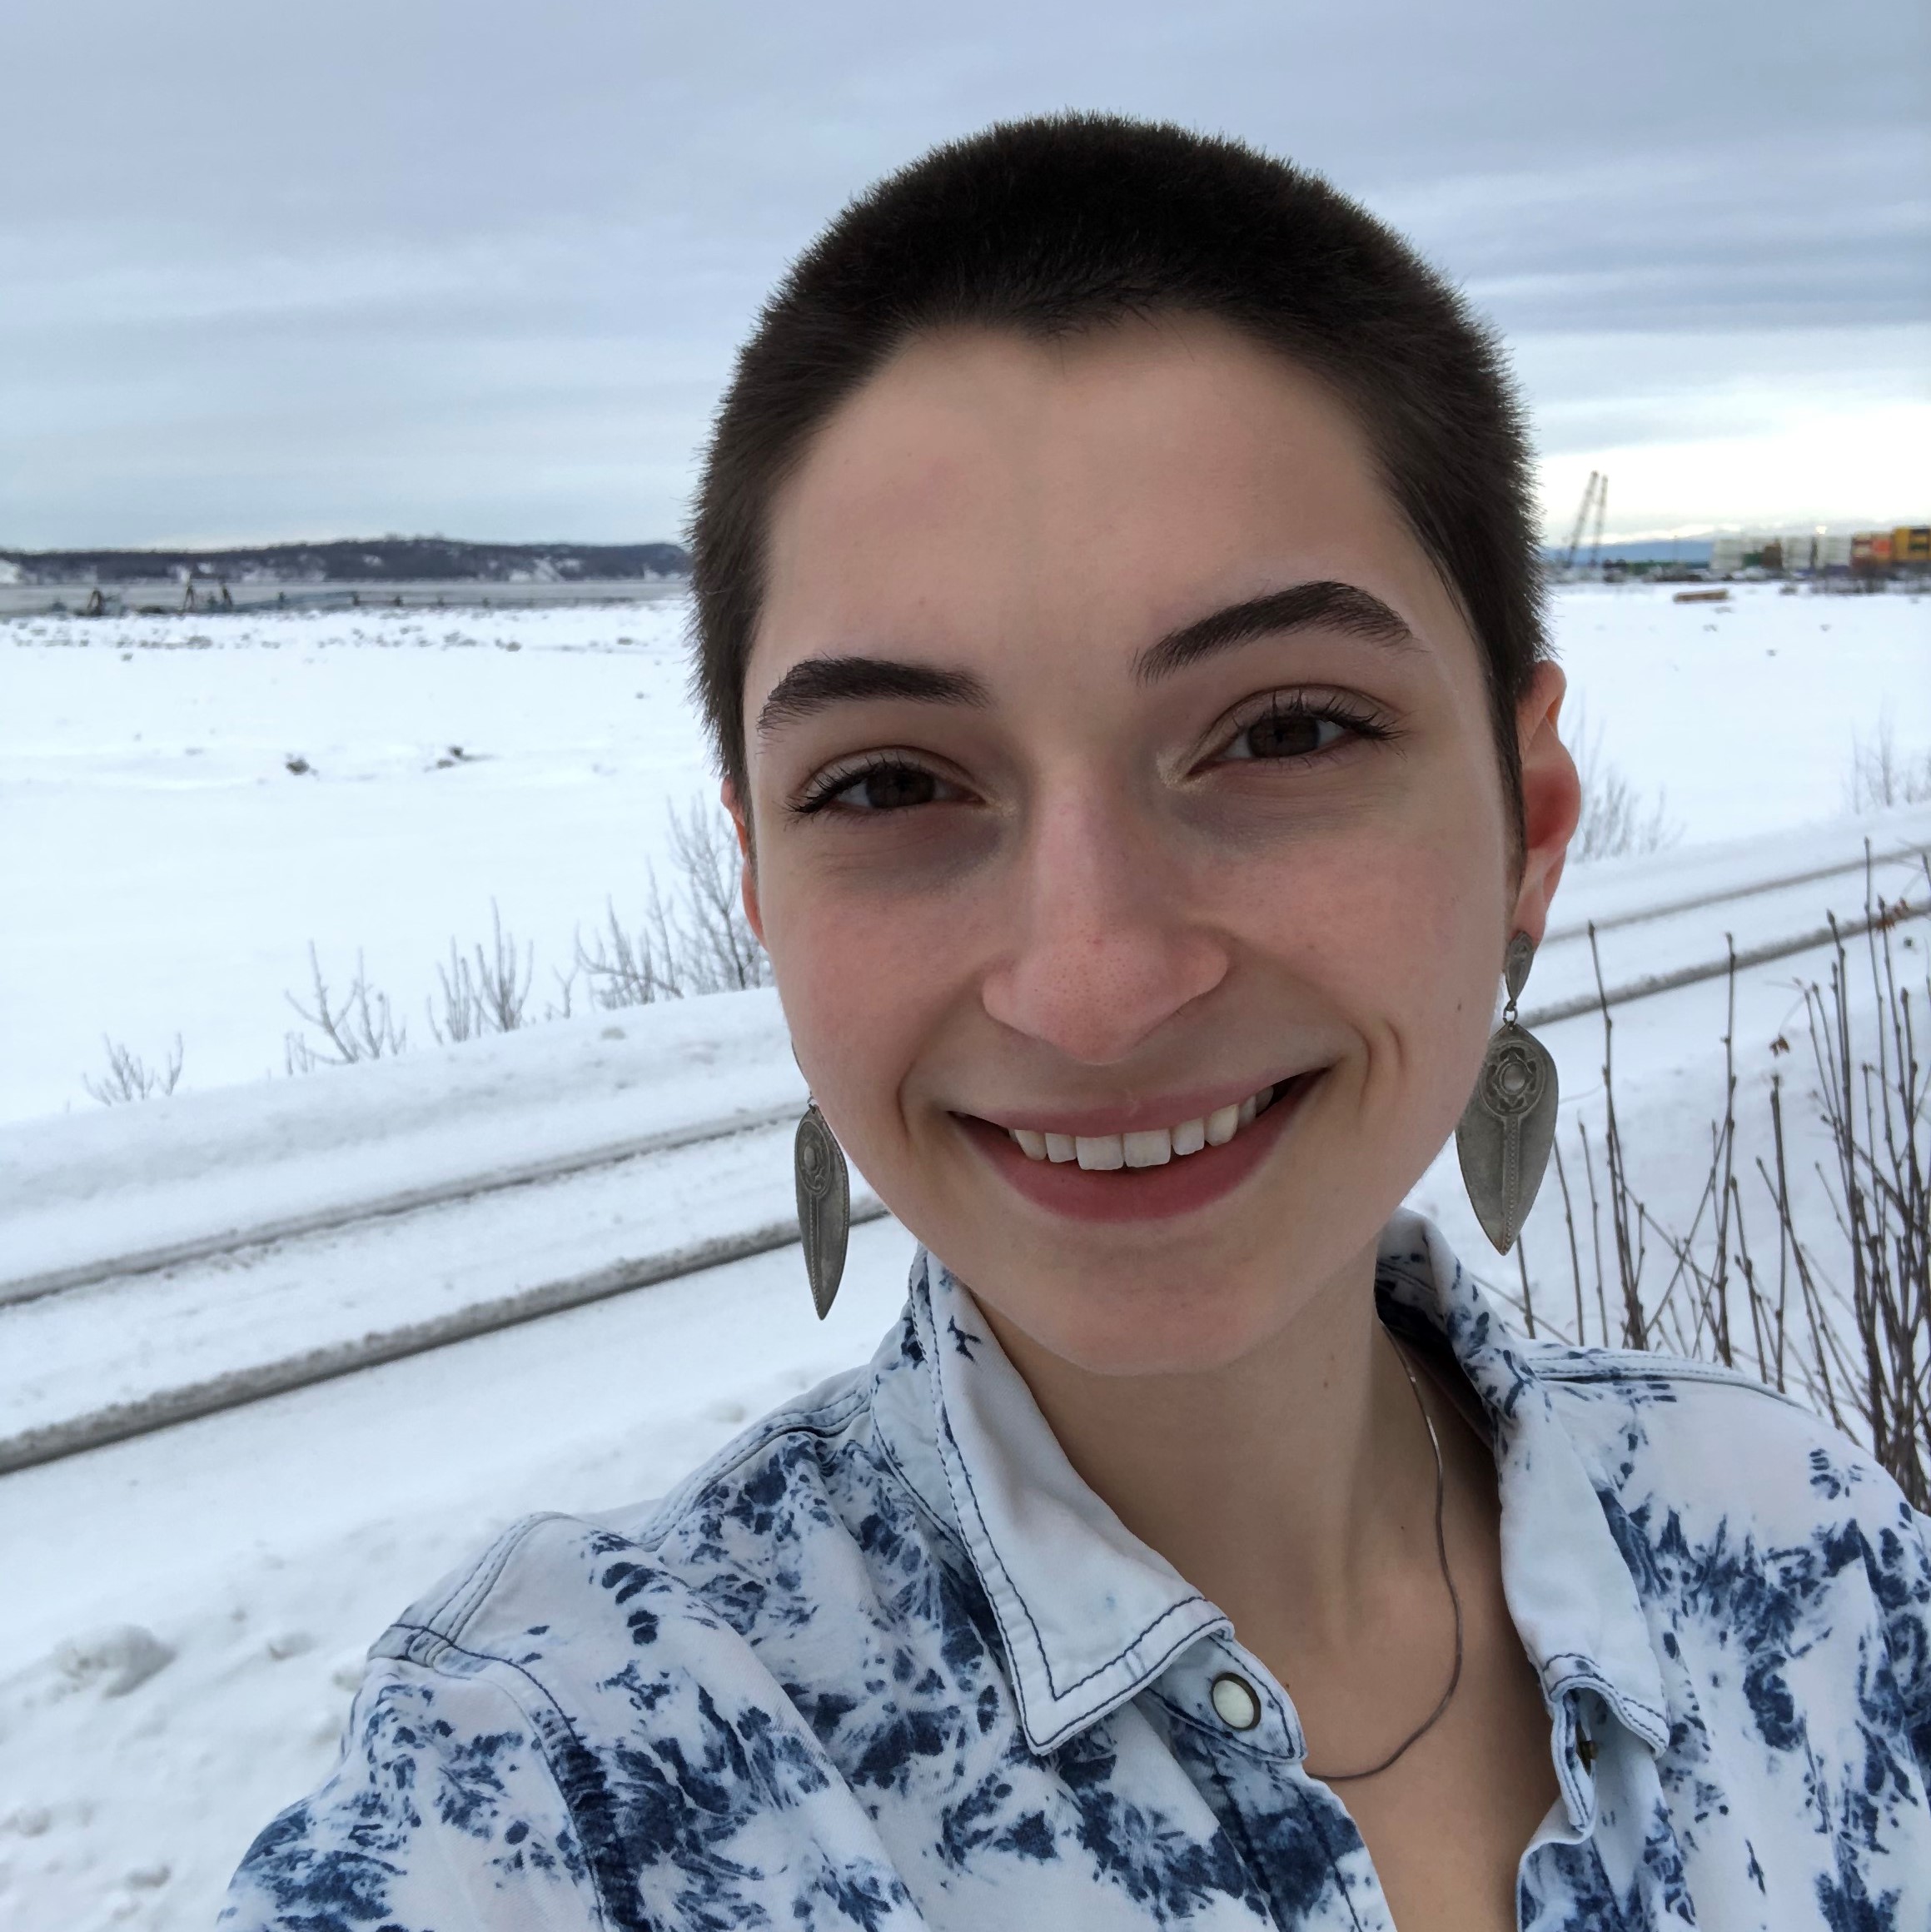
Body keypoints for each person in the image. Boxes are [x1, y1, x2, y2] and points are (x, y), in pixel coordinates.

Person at [221, 116, 1930, 1931]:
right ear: (759, 887)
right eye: (888, 781)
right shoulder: (583, 1781)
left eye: (1282, 731)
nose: (1093, 982)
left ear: (1526, 818)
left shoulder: (1800, 1553)